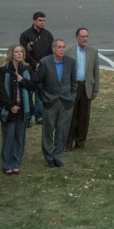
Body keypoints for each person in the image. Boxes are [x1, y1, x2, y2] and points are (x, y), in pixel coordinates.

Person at [0, 44, 36, 175]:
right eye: (16, 52)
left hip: (23, 109)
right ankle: (7, 164)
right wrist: (10, 106)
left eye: (21, 52)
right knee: (8, 138)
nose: (19, 54)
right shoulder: (4, 70)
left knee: (20, 138)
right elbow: (2, 90)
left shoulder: (27, 69)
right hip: (9, 109)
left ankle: (16, 163)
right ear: (11, 54)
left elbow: (33, 86)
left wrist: (22, 79)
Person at [36, 39, 77, 168]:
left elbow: (73, 82)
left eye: (63, 47)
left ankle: (57, 156)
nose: (62, 49)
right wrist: (44, 97)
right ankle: (48, 157)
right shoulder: (45, 62)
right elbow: (39, 83)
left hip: (66, 103)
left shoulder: (71, 63)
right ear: (53, 49)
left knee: (62, 131)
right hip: (50, 102)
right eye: (59, 47)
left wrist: (72, 96)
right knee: (48, 131)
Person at [65, 28, 100, 151]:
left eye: (87, 36)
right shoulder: (69, 51)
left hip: (87, 86)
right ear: (77, 37)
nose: (85, 39)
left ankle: (80, 141)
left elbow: (96, 71)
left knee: (84, 116)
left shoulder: (93, 51)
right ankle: (68, 142)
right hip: (73, 87)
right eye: (82, 36)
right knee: (71, 115)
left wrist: (95, 89)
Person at [20, 11, 54, 125]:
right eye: (40, 20)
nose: (42, 23)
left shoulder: (48, 35)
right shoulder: (26, 35)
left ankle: (39, 116)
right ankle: (28, 117)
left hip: (43, 69)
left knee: (40, 92)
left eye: (44, 21)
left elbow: (51, 52)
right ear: (34, 21)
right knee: (29, 92)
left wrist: (44, 65)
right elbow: (24, 52)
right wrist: (35, 64)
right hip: (29, 68)